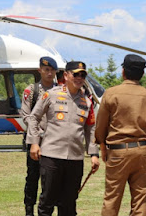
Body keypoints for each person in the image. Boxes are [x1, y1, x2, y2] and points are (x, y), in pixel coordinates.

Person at [27, 61, 100, 216]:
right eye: (76, 74)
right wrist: (34, 142)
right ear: (66, 75)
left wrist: (94, 154)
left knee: (69, 203)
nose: (79, 78)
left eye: (83, 75)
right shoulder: (51, 95)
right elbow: (33, 117)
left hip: (75, 159)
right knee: (47, 201)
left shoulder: (87, 101)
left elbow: (91, 128)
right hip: (51, 156)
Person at [95, 54, 146, 216]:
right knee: (140, 200)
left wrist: (102, 147)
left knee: (112, 198)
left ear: (123, 71)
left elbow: (101, 126)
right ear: (141, 74)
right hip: (142, 152)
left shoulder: (111, 94)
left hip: (117, 152)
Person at [21, 56, 58, 216]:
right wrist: (38, 132)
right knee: (32, 178)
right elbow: (26, 116)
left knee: (51, 179)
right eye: (46, 70)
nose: (49, 73)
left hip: (54, 142)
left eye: (52, 70)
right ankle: (29, 210)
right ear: (40, 70)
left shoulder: (60, 90)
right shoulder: (32, 90)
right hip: (35, 140)